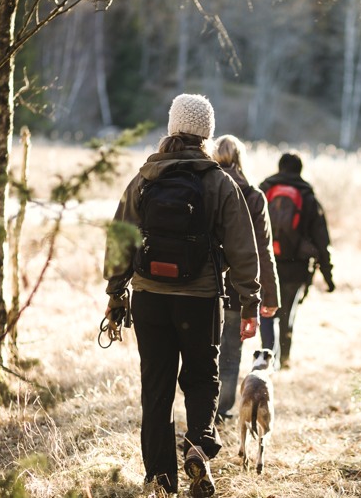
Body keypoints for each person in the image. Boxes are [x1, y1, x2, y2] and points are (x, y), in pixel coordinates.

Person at [103, 94, 261, 498]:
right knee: (201, 378)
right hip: (200, 298)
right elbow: (244, 249)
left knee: (155, 388)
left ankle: (160, 478)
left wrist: (116, 292)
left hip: (150, 298)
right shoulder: (219, 182)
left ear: (172, 128)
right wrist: (249, 303)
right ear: (206, 133)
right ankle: (197, 447)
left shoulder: (145, 177)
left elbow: (120, 239)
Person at [212, 135, 280, 422]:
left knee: (202, 351)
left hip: (203, 285)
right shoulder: (253, 196)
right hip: (238, 290)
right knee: (229, 353)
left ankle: (202, 408)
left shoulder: (206, 187)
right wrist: (271, 295)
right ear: (241, 158)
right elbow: (263, 251)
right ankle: (222, 409)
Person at [258, 152, 335, 369]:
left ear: (279, 167)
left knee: (266, 312)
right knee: (286, 313)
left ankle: (267, 358)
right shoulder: (308, 197)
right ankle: (284, 359)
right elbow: (322, 241)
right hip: (296, 267)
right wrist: (328, 278)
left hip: (265, 263)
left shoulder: (263, 191)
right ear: (300, 170)